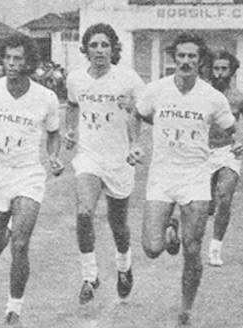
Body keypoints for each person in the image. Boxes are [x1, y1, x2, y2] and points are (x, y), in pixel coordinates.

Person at [135, 33, 236, 327]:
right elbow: (139, 114)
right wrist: (135, 143)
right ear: (173, 58)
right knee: (152, 249)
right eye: (181, 56)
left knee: (192, 249)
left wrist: (218, 151)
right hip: (161, 177)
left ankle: (186, 309)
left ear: (200, 60)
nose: (186, 61)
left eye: (192, 56)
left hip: (195, 178)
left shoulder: (213, 98)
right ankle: (169, 228)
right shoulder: (156, 90)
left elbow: (229, 130)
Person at [0, 34, 64, 325]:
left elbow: (54, 133)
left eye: (18, 58)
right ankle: (9, 222)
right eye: (7, 57)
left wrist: (54, 156)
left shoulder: (45, 97)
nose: (11, 63)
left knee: (20, 245)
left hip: (27, 176)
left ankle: (14, 309)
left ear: (28, 62)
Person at [63, 23, 145, 305]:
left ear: (113, 49)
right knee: (84, 213)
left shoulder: (128, 78)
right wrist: (70, 130)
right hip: (89, 156)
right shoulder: (75, 79)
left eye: (105, 45)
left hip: (119, 160)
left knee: (117, 223)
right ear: (86, 49)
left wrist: (131, 113)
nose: (99, 50)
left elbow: (142, 111)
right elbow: (72, 105)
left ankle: (124, 266)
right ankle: (90, 275)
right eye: (94, 45)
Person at [207, 50, 243, 267]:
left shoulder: (239, 98)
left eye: (224, 69)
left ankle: (215, 250)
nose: (219, 73)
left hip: (229, 152)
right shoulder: (202, 94)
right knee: (205, 205)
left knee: (225, 197)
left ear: (232, 71)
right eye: (216, 68)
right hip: (202, 153)